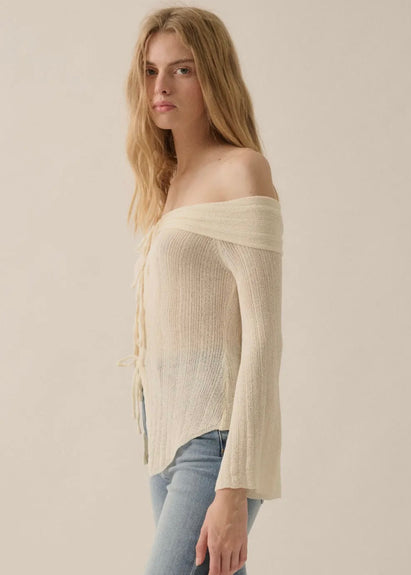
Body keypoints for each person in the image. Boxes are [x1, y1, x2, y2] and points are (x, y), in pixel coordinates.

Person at [116, 6, 284, 575]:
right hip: (164, 438)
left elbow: (263, 339)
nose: (160, 86)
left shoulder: (242, 170)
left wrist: (233, 487)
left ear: (214, 75)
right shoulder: (168, 181)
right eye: (150, 70)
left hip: (214, 444)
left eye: (182, 69)